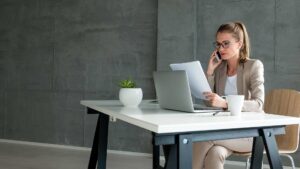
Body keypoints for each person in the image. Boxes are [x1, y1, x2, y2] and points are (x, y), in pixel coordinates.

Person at [192, 21, 265, 169]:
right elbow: (210, 103)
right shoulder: (220, 69)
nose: (221, 48)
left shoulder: (254, 66)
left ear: (239, 44)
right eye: (218, 44)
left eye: (226, 43)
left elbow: (259, 104)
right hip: (226, 130)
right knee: (215, 153)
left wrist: (226, 104)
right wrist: (210, 72)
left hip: (250, 133)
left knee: (204, 138)